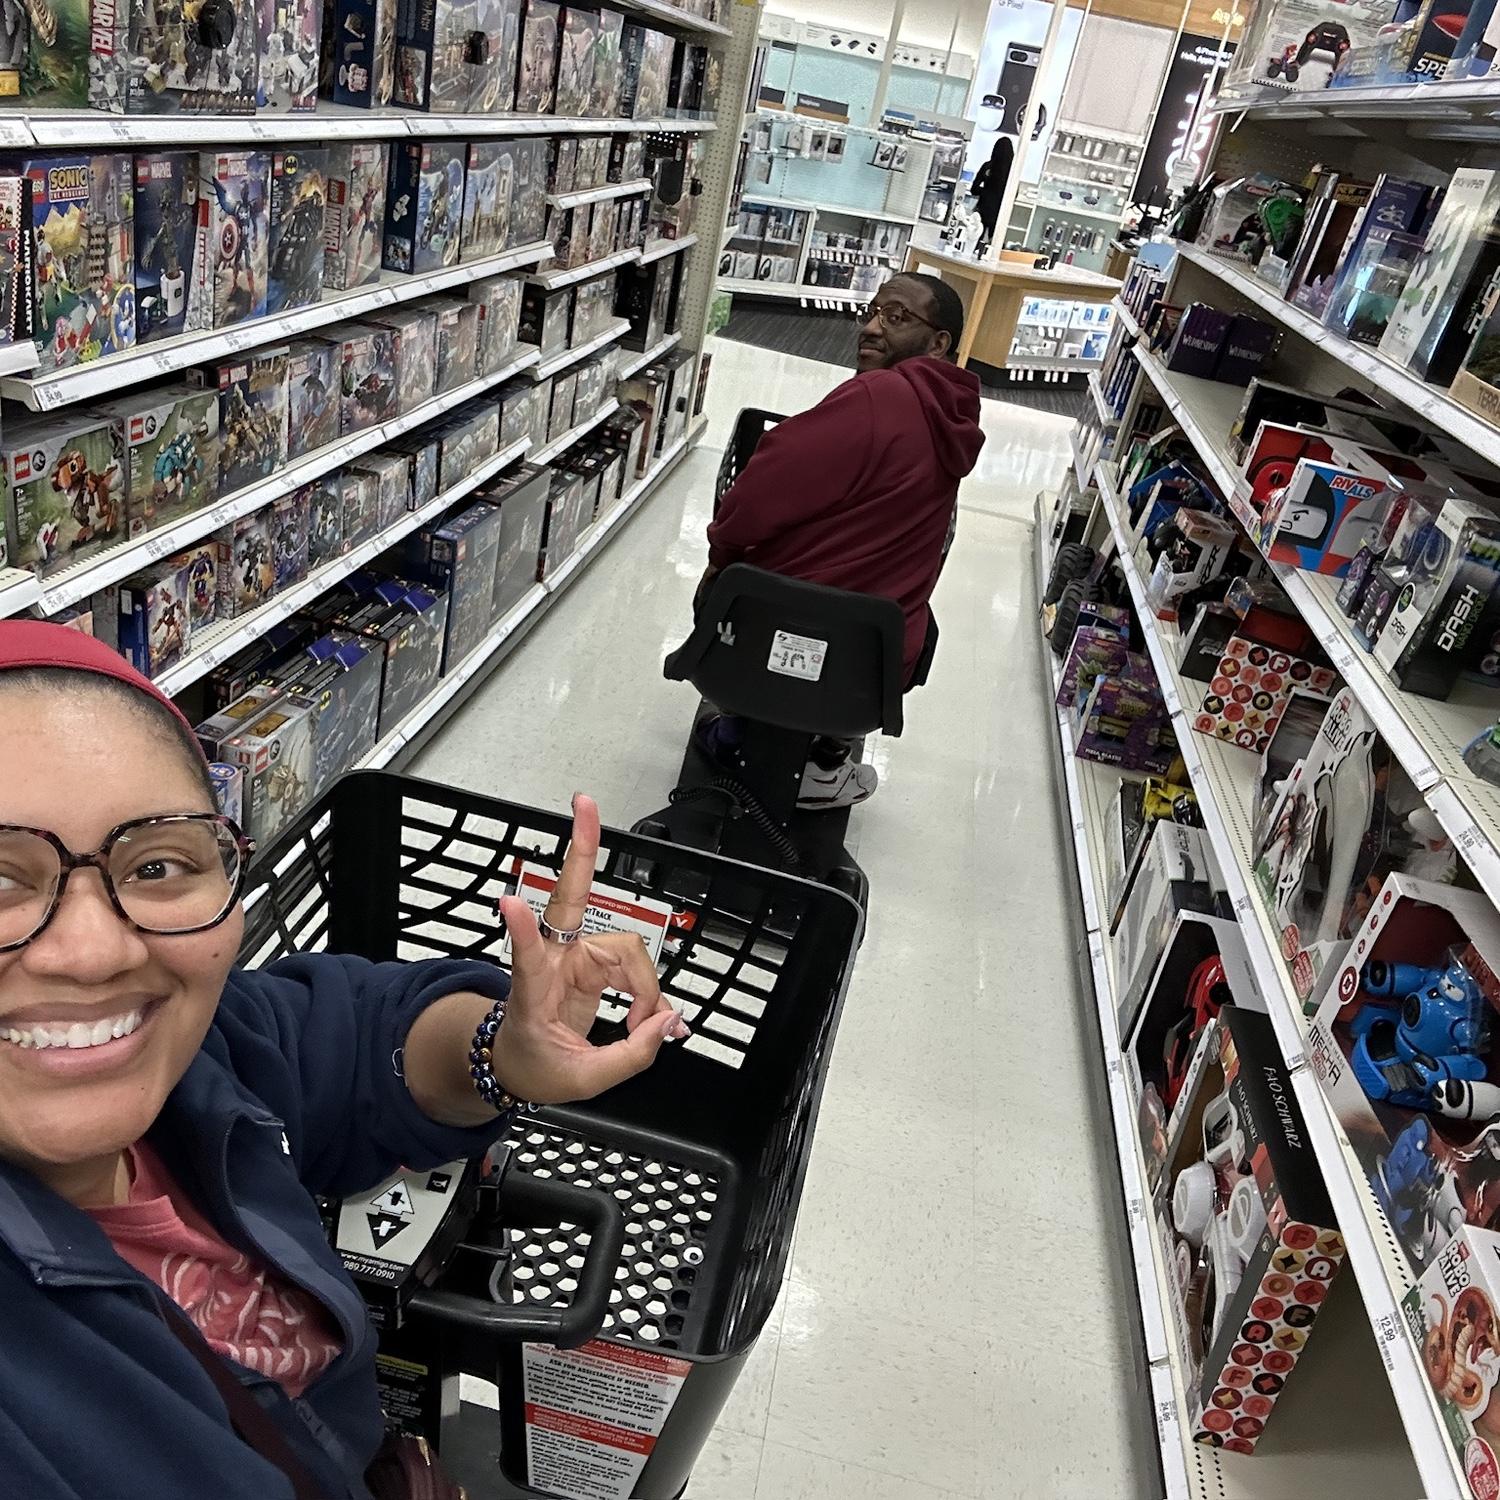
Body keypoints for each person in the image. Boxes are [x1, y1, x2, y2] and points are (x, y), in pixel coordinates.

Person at [0, 620, 688, 1500]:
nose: (94, 952)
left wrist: (500, 1049)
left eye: (159, 865)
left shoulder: (202, 1056)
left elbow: (359, 1034)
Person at [698, 272, 985, 808]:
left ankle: (741, 733)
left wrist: (722, 556)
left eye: (896, 317)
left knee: (731, 579)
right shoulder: (950, 414)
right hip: (870, 668)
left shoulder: (881, 396)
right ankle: (825, 758)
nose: (872, 327)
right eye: (871, 312)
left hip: (767, 637)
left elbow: (761, 489)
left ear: (938, 342)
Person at [970, 137, 1015, 249]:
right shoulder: (1012, 173)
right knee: (995, 244)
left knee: (975, 238)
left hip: (983, 208)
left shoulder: (987, 167)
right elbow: (1014, 195)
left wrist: (986, 193)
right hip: (1000, 212)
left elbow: (974, 189)